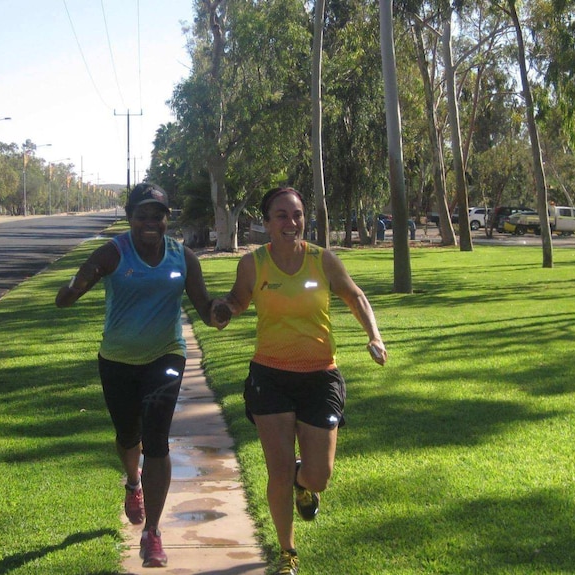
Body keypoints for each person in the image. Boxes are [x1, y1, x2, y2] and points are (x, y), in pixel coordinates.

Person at [56, 182, 228, 568]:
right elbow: (76, 285)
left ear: (168, 219)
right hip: (116, 359)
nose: (151, 222)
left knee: (157, 439)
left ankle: (152, 533)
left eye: (158, 215)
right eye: (142, 215)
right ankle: (132, 481)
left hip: (165, 356)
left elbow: (204, 308)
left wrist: (220, 311)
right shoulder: (114, 253)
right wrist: (75, 288)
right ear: (130, 217)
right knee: (127, 435)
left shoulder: (183, 258)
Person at [216, 187, 387, 575]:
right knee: (275, 471)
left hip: (320, 377)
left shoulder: (322, 261)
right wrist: (224, 310)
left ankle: (302, 479)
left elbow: (355, 296)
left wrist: (374, 336)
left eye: (297, 215)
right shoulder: (253, 264)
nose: (290, 223)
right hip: (270, 377)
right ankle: (287, 553)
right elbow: (238, 300)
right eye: (281, 215)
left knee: (320, 476)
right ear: (266, 223)